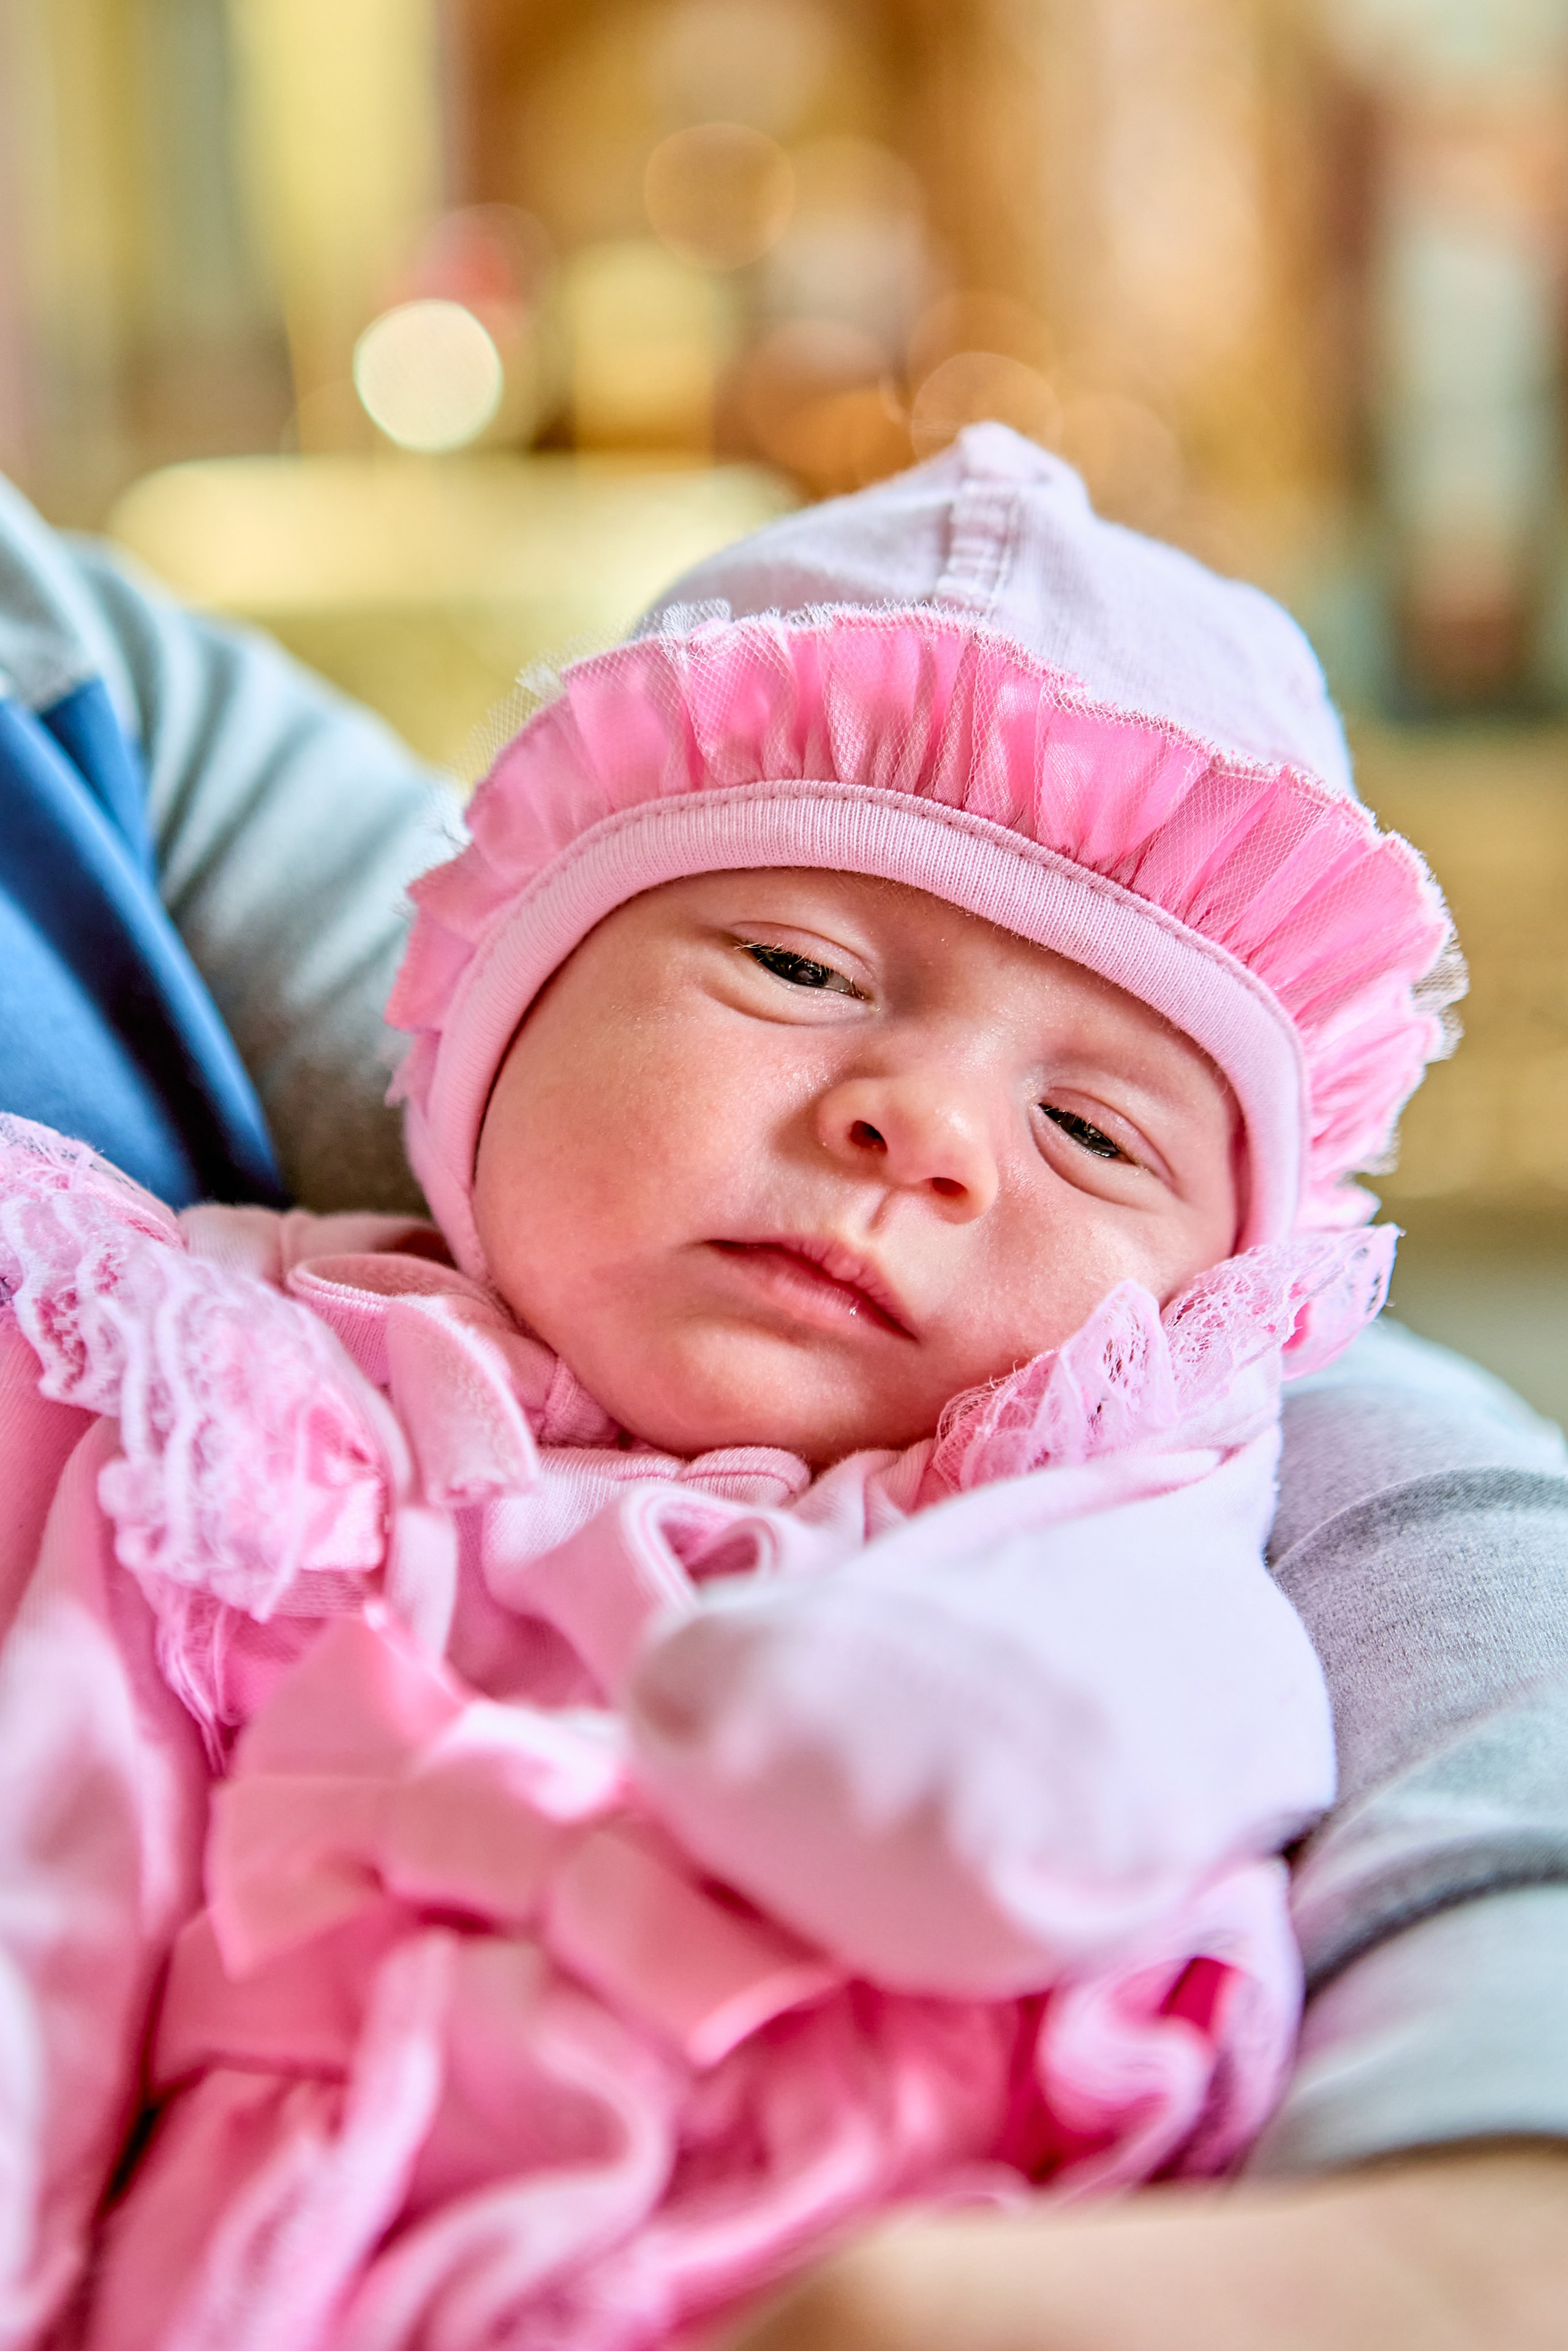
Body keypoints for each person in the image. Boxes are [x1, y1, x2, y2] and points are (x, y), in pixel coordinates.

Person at [0, 434, 1562, 2347]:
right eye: (799, 965)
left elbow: (1156, 1718)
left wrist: (909, 1734)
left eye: (1087, 1126)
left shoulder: (1104, 1497)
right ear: (494, 1015)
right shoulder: (220, 1389)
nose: (920, 1129)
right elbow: (55, 1847)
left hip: (894, 2230)